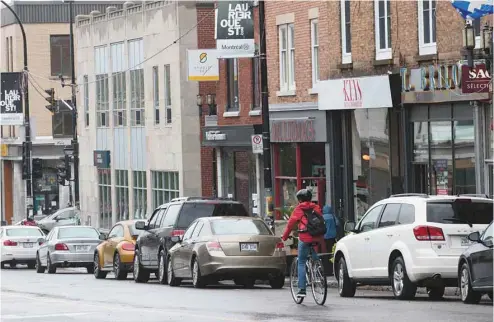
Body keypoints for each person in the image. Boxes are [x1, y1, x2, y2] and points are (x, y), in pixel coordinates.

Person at [281, 189, 323, 298]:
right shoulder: (316, 207)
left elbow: (290, 225)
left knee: (301, 261)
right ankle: (318, 266)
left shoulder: (298, 209)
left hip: (304, 237)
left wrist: (285, 237)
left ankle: (302, 289)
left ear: (299, 199)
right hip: (317, 236)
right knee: (312, 248)